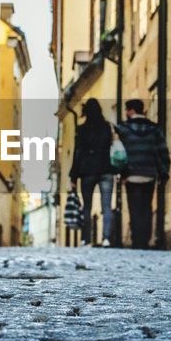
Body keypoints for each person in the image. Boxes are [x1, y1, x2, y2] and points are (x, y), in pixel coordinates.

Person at [114, 98, 170, 250]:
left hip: (131, 175)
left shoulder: (123, 129)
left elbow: (119, 154)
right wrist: (164, 171)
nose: (125, 113)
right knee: (146, 208)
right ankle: (145, 241)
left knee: (134, 209)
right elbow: (162, 151)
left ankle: (136, 241)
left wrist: (121, 173)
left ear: (131, 110)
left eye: (127, 110)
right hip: (149, 174)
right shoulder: (155, 129)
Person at [69, 98, 114, 247]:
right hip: (106, 169)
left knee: (86, 207)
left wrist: (73, 176)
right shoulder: (107, 127)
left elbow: (78, 153)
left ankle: (85, 238)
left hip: (87, 171)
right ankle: (107, 238)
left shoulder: (82, 130)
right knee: (106, 206)